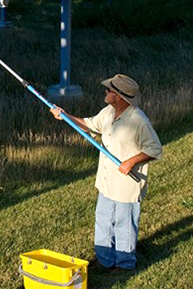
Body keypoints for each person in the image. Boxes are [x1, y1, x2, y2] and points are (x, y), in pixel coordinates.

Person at [50, 74, 162, 271]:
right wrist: (65, 116)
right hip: (106, 181)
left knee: (124, 225)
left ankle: (125, 264)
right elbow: (89, 125)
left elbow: (154, 149)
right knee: (102, 220)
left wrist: (131, 162)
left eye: (109, 90)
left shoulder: (138, 121)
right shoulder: (109, 112)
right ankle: (105, 260)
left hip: (126, 185)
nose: (106, 92)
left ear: (119, 96)